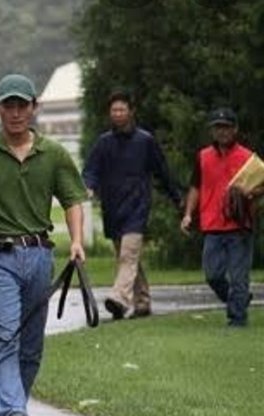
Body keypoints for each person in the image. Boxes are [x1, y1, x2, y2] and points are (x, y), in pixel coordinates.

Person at [0, 74, 87, 416]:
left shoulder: (53, 153)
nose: (16, 112)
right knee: (5, 337)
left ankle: (11, 406)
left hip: (39, 256)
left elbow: (72, 200)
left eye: (22, 105)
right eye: (9, 106)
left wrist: (77, 241)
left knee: (31, 347)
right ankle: (12, 412)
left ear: (34, 108)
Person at [81, 91, 182, 320]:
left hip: (138, 206)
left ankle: (119, 299)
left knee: (128, 255)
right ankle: (143, 302)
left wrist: (177, 198)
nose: (117, 114)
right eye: (114, 110)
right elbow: (91, 170)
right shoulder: (104, 143)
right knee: (128, 257)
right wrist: (87, 186)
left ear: (131, 112)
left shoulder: (144, 141)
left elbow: (162, 172)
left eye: (122, 109)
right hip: (113, 208)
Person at [180, 107, 262, 327]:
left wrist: (252, 193)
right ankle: (239, 301)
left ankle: (237, 319)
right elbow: (195, 187)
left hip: (240, 224)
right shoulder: (203, 156)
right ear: (212, 131)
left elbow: (261, 186)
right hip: (212, 224)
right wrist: (188, 214)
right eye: (218, 127)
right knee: (213, 275)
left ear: (235, 129)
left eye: (226, 127)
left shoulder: (248, 158)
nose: (222, 132)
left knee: (238, 277)